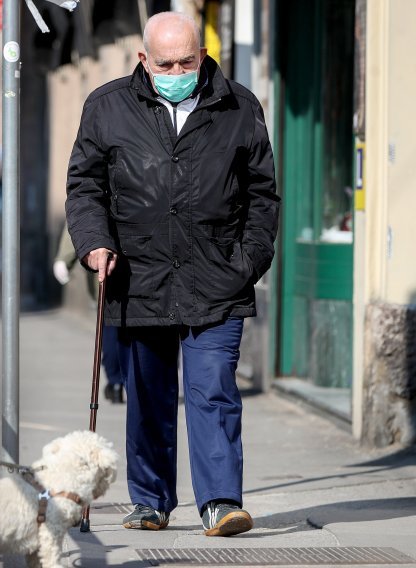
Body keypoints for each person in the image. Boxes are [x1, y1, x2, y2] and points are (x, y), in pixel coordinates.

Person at [65, 11, 280, 537]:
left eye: (188, 59)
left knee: (213, 390)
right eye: (167, 62)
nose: (178, 69)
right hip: (139, 276)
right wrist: (94, 244)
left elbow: (262, 196)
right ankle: (151, 501)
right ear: (144, 59)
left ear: (202, 56)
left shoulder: (239, 106)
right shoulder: (107, 106)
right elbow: (85, 186)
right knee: (148, 394)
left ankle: (221, 502)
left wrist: (247, 263)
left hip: (217, 277)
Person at [53, 222, 125, 403]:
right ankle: (122, 382)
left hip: (108, 273)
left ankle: (116, 381)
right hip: (123, 269)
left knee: (111, 328)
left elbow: (81, 215)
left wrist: (64, 258)